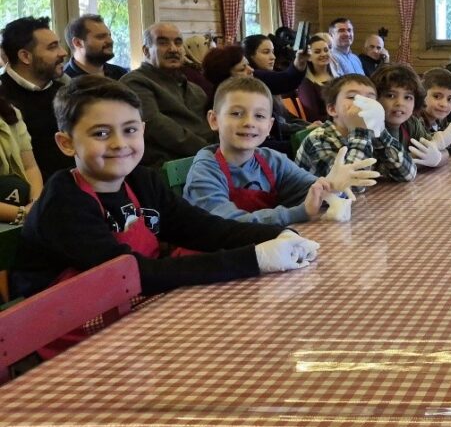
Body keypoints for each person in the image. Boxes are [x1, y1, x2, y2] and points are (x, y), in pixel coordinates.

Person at [10, 76, 319, 305]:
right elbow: (131, 273)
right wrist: (254, 259)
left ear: (142, 131)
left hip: (134, 308)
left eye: (130, 130)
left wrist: (278, 234)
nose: (119, 143)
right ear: (66, 143)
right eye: (101, 133)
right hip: (65, 332)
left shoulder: (143, 181)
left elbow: (204, 229)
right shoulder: (64, 201)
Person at [184, 77, 378, 226]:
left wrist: (330, 187)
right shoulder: (206, 169)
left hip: (262, 245)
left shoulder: (272, 161)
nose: (249, 122)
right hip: (212, 256)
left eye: (259, 116)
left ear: (269, 126)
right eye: (236, 113)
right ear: (214, 120)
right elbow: (226, 223)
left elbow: (311, 193)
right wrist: (300, 212)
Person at [120, 23, 215, 168]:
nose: (173, 49)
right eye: (163, 43)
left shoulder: (195, 89)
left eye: (178, 42)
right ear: (146, 51)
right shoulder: (134, 82)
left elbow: (213, 125)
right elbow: (156, 126)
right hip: (167, 169)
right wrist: (210, 151)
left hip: (208, 162)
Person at [295, 74, 417, 183]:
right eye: (352, 97)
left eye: (370, 99)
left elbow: (408, 174)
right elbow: (351, 186)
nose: (363, 103)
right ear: (332, 109)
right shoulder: (319, 139)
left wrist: (379, 130)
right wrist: (360, 131)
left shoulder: (371, 132)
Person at [0, 16, 72, 177]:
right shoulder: (2, 100)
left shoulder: (68, 93)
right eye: (52, 47)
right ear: (25, 56)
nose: (64, 52)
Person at [0, 91, 43, 226]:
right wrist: (22, 213)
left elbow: (30, 167)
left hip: (22, 205)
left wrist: (36, 202)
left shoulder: (10, 112)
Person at [63, 15, 127, 80]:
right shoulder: (64, 80)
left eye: (109, 36)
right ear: (78, 43)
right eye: (101, 37)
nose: (110, 41)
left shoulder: (121, 75)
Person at [296, 33, 334, 123]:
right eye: (317, 52)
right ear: (308, 57)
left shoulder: (336, 77)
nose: (323, 54)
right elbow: (313, 117)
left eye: (326, 50)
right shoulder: (306, 84)